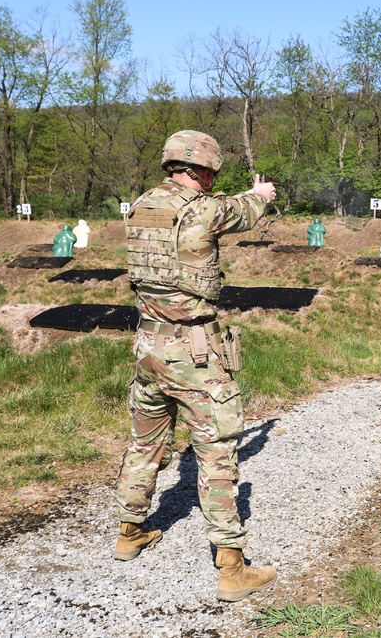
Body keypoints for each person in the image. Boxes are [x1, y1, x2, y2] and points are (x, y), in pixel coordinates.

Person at [114, 129, 278, 602]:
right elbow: (244, 210)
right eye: (211, 172)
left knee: (144, 443)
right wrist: (260, 194)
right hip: (193, 351)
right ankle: (232, 568)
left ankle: (129, 533)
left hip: (147, 344)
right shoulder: (206, 208)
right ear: (203, 169)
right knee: (217, 452)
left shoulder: (142, 205)